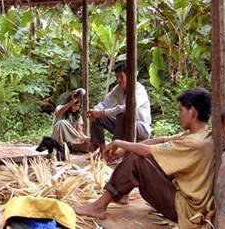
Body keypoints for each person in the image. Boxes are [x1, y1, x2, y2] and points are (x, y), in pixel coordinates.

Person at [76, 87, 215, 228]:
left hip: (186, 210)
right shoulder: (201, 134)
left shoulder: (194, 143)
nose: (179, 115)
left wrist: (118, 142)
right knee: (147, 156)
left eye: (181, 110)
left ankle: (99, 206)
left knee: (137, 161)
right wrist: (124, 149)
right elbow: (162, 140)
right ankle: (121, 193)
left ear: (192, 112)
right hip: (189, 204)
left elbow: (147, 151)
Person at [88, 64, 151, 155]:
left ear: (129, 76)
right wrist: (94, 112)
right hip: (122, 126)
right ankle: (102, 151)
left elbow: (129, 108)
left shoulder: (139, 89)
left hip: (140, 128)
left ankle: (112, 151)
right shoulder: (118, 89)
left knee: (122, 115)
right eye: (117, 77)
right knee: (97, 117)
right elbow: (105, 104)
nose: (118, 80)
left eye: (121, 77)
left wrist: (102, 112)